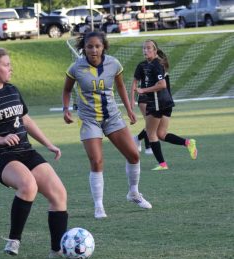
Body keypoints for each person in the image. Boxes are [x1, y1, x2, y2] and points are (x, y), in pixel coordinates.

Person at [0, 48, 68, 258]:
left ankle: (57, 250)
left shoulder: (12, 90)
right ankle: (14, 240)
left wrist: (48, 143)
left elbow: (26, 120)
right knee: (28, 185)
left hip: (25, 150)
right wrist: (1, 139)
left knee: (59, 194)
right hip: (0, 155)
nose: (10, 68)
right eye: (6, 65)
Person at [62, 31, 152, 219]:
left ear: (103, 47)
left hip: (112, 117)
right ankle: (99, 206)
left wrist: (129, 110)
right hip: (89, 119)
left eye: (97, 46)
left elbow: (120, 87)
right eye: (89, 46)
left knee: (134, 155)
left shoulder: (114, 64)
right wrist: (65, 109)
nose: (94, 50)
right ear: (84, 48)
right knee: (97, 161)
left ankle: (133, 193)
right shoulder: (75, 68)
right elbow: (67, 90)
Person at [133, 39, 198, 170]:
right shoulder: (157, 63)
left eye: (148, 48)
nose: (145, 51)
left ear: (155, 50)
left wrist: (143, 90)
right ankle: (188, 143)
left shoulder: (156, 64)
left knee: (151, 134)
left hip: (157, 102)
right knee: (161, 134)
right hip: (166, 102)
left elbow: (162, 85)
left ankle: (162, 164)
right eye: (144, 48)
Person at [130, 73, 153, 155]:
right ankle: (148, 147)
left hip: (155, 98)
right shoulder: (142, 66)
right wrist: (132, 99)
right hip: (144, 98)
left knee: (153, 123)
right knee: (150, 123)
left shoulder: (158, 67)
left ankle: (137, 138)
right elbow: (134, 83)